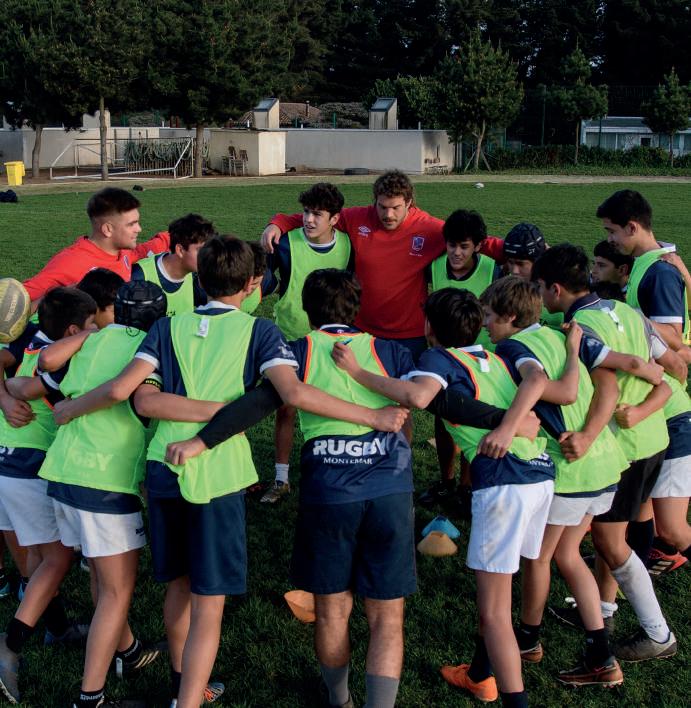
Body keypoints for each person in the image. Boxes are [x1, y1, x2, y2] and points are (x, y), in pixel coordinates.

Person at [51, 236, 407, 708]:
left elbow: (144, 400)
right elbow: (291, 394)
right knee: (208, 603)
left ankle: (181, 684)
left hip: (163, 470)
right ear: (252, 284)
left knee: (178, 587)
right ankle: (188, 701)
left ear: (199, 279)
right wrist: (372, 416)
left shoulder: (167, 327)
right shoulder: (261, 332)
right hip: (217, 475)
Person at [331, 288, 554, 708]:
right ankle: (480, 673)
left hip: (503, 481)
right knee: (503, 588)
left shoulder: (439, 359)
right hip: (540, 475)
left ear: (429, 326)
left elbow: (417, 397)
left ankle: (509, 697)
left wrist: (357, 372)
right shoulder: (496, 357)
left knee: (494, 612)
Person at [19, 282, 168, 708]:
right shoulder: (150, 348)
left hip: (62, 473)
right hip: (104, 480)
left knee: (102, 578)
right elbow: (129, 394)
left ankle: (129, 652)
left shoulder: (90, 339)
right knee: (117, 592)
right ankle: (91, 697)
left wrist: (92, 333)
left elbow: (47, 360)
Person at [531, 244, 678, 662]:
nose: (539, 296)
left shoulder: (581, 326)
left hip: (623, 445)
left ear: (555, 289)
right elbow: (667, 365)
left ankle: (658, 633)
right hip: (652, 437)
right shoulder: (624, 310)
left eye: (540, 288)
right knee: (605, 536)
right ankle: (603, 611)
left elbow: (608, 388)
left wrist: (586, 436)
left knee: (611, 543)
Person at [479, 276, 626, 688]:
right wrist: (574, 353)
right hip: (604, 463)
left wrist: (507, 427)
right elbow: (602, 384)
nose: (484, 324)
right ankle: (600, 654)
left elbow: (545, 386)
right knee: (568, 555)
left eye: (489, 316)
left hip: (569, 467)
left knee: (540, 557)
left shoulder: (512, 349)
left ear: (510, 317)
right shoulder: (557, 334)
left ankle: (529, 640)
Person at [262, 170, 505, 360]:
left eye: (396, 208)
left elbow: (473, 239)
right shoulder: (358, 218)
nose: (388, 215)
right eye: (382, 207)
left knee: (402, 399)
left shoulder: (430, 228)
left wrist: (516, 251)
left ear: (409, 203)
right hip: (361, 330)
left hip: (410, 335)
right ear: (374, 202)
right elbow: (320, 216)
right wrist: (279, 223)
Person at [0, 288, 98, 704]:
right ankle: (9, 647)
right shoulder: (63, 361)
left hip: (5, 462)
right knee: (58, 559)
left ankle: (57, 629)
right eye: (91, 325)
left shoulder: (29, 342)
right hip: (28, 467)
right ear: (74, 331)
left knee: (39, 558)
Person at [262, 182, 352, 505]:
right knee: (285, 407)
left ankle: (334, 469)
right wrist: (275, 225)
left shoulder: (349, 245)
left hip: (331, 342)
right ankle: (281, 477)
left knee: (333, 406)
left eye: (318, 214)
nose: (309, 220)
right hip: (290, 336)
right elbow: (265, 281)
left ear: (335, 219)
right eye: (306, 212)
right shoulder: (286, 243)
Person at [420, 209, 500, 512]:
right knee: (443, 419)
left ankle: (467, 486)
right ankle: (447, 481)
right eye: (452, 245)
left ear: (478, 246)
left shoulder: (493, 270)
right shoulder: (434, 267)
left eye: (464, 246)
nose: (456, 252)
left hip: (480, 359)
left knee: (471, 422)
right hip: (445, 357)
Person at [22, 187, 170, 306]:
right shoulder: (70, 262)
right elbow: (20, 297)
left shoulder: (124, 252)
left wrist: (177, 234)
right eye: (132, 224)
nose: (139, 229)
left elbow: (143, 251)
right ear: (107, 229)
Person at [132, 213, 213, 316]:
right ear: (180, 250)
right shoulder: (140, 277)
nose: (207, 256)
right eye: (201, 250)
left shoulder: (195, 276)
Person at [502, 222, 564, 330]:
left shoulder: (561, 291)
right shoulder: (502, 286)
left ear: (538, 261)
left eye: (521, 264)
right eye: (510, 262)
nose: (514, 271)